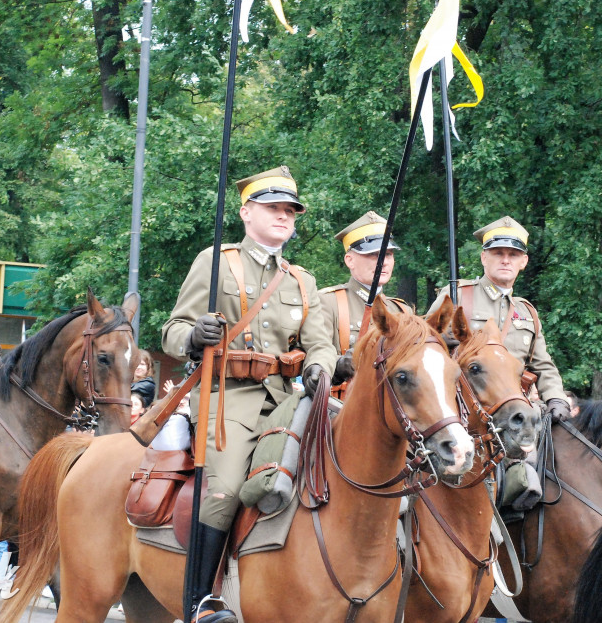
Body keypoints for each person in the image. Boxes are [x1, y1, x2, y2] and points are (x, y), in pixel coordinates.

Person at [162, 166, 335, 623]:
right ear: (245, 212)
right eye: (273, 208)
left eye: (290, 211)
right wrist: (195, 335)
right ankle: (200, 600)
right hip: (227, 399)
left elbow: (321, 343)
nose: (284, 217)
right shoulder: (216, 260)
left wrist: (319, 368)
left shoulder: (303, 280)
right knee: (225, 487)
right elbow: (172, 330)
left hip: (285, 398)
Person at [427, 216, 571, 420]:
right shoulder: (458, 296)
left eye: (513, 254)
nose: (505, 260)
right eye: (498, 253)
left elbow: (542, 365)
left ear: (523, 262)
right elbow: (425, 348)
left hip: (516, 410)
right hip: (466, 412)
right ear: (484, 257)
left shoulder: (527, 312)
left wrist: (556, 398)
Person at [318, 211, 409, 393]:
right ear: (349, 260)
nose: (383, 262)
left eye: (388, 254)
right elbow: (315, 357)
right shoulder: (328, 303)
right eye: (374, 255)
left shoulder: (403, 311)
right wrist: (342, 364)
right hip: (341, 407)